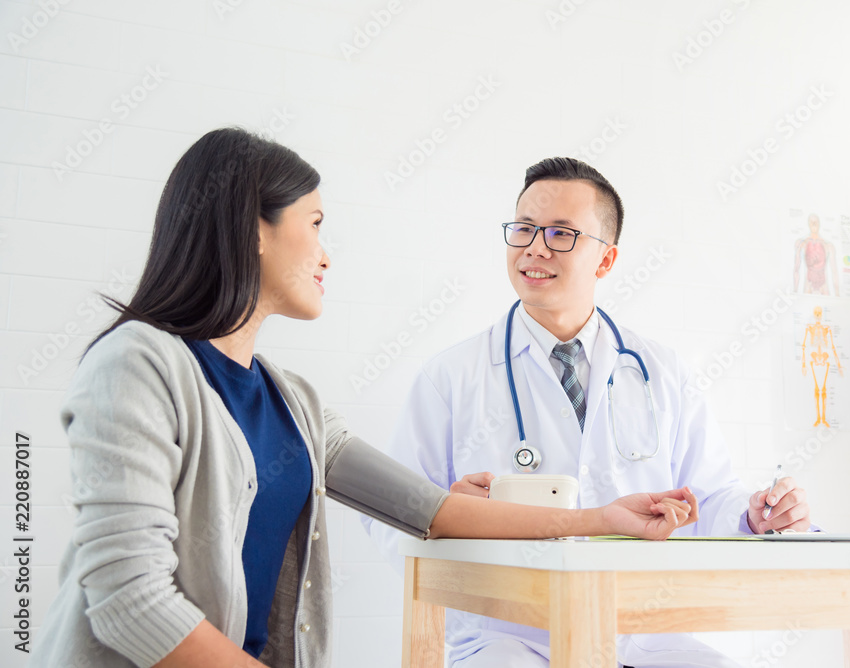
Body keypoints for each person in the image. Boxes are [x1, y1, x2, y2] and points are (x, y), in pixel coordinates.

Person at [28, 132, 702, 668]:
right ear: (252, 229)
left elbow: (429, 509)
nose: (327, 253)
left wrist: (601, 518)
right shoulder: (139, 363)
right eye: (315, 223)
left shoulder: (292, 400)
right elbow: (128, 599)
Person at [363, 157, 813, 668]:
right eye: (525, 229)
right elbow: (392, 519)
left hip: (644, 632)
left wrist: (754, 514)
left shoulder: (662, 373)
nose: (535, 247)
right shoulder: (451, 376)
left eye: (560, 234)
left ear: (605, 260)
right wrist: (452, 514)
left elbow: (704, 498)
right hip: (507, 640)